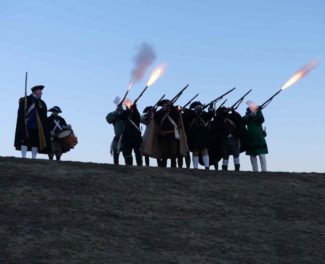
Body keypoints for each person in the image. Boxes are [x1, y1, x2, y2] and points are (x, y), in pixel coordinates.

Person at [14, 85, 51, 159]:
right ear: (35, 91)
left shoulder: (42, 103)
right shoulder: (25, 99)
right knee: (25, 141)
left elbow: (43, 115)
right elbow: (21, 111)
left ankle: (33, 158)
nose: (41, 93)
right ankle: (23, 157)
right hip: (27, 125)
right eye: (40, 91)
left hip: (37, 126)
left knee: (35, 142)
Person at [154, 99, 188, 168]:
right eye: (164, 105)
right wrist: (162, 110)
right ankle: (163, 167)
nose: (165, 105)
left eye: (166, 104)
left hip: (173, 135)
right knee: (164, 153)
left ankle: (173, 168)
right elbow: (156, 118)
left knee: (173, 153)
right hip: (163, 135)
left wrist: (171, 106)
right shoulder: (160, 113)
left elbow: (177, 114)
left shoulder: (174, 111)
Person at [182, 101, 214, 169]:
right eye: (198, 106)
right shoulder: (191, 113)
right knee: (195, 151)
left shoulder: (204, 113)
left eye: (200, 106)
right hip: (194, 134)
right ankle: (195, 168)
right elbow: (186, 117)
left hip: (203, 133)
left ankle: (207, 167)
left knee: (204, 150)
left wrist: (211, 108)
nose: (199, 107)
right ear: (195, 107)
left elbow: (210, 115)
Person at [243, 101, 268, 172]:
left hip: (259, 137)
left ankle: (264, 170)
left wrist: (259, 111)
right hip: (251, 138)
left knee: (261, 155)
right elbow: (243, 121)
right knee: (252, 156)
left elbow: (262, 119)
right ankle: (255, 171)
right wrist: (250, 115)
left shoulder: (258, 115)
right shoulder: (247, 116)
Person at [117, 99, 142, 166]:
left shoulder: (136, 113)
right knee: (127, 152)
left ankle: (139, 166)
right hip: (127, 136)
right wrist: (119, 108)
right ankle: (129, 165)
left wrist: (132, 108)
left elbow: (136, 116)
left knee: (137, 152)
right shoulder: (126, 113)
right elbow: (120, 116)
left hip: (135, 136)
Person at [106, 96, 126, 165]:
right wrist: (116, 112)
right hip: (117, 139)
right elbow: (108, 119)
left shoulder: (126, 114)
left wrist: (123, 112)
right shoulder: (115, 115)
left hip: (125, 139)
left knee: (126, 156)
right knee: (115, 157)